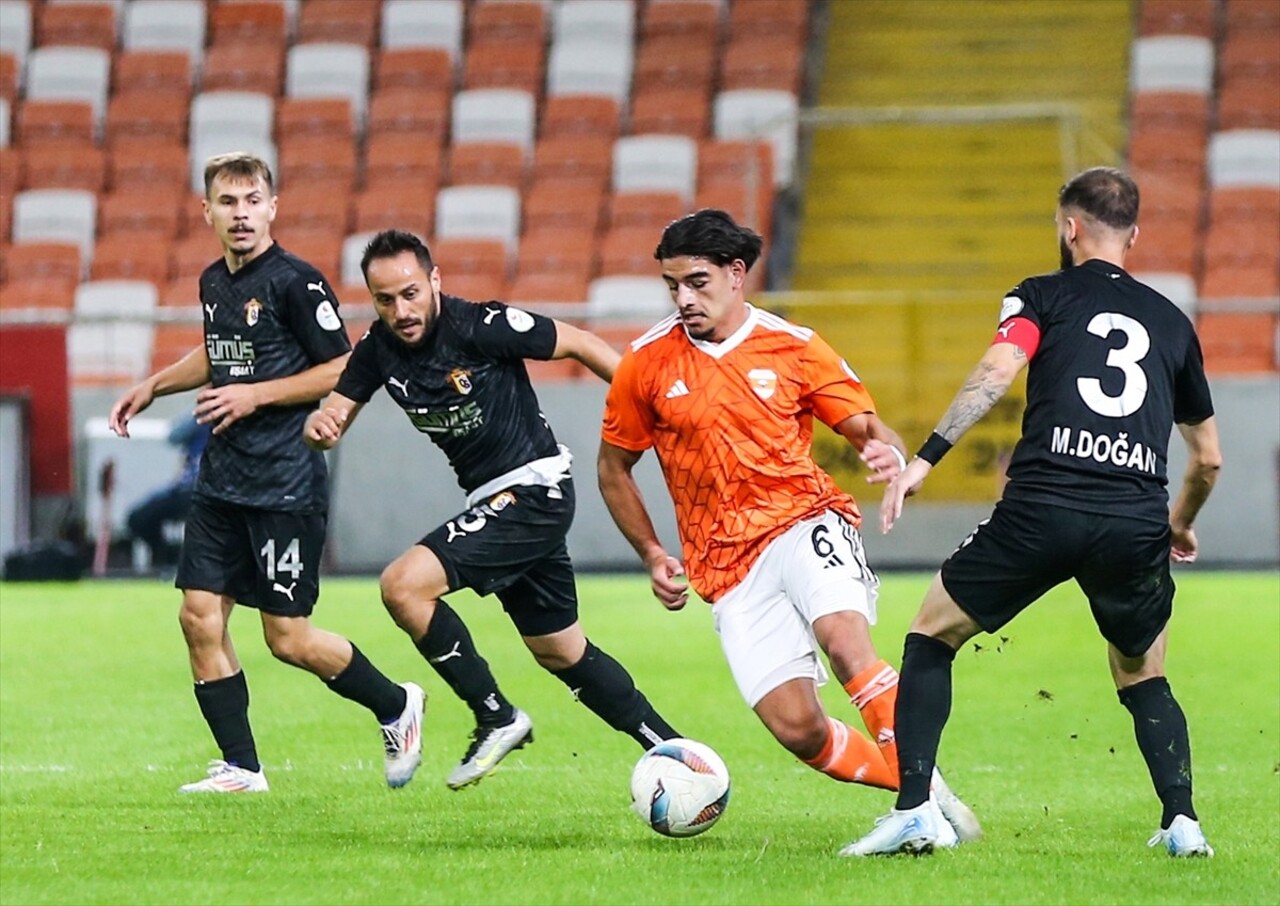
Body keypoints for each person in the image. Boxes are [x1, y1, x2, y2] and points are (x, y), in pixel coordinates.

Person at [844, 167, 1221, 857]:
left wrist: (924, 459)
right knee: (1143, 671)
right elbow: (1209, 459)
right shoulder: (1173, 323)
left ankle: (916, 811)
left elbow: (996, 373)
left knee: (931, 635)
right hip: (1134, 519)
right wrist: (1180, 522)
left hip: (1043, 506)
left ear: (1069, 226)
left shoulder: (1040, 295)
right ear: (1133, 234)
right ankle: (1183, 822)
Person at [596, 209, 979, 848]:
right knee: (797, 728)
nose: (684, 299)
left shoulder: (794, 345)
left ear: (736, 273)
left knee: (846, 641)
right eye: (673, 286)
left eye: (697, 281)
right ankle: (924, 789)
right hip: (725, 564)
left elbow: (865, 424)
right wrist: (652, 552)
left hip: (803, 520)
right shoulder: (645, 364)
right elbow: (614, 469)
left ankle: (915, 816)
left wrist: (881, 448)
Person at [303, 229, 682, 790]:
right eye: (385, 299)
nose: (401, 310)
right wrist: (321, 427)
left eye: (410, 293)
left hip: (534, 490)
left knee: (403, 586)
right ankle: (674, 752)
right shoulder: (377, 351)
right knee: (560, 650)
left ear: (434, 280)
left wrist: (651, 408)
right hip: (496, 502)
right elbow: (334, 415)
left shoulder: (479, 325)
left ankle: (495, 715)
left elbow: (577, 341)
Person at [108, 153, 424, 794]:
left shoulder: (297, 283)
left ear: (272, 208)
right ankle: (241, 768)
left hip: (285, 482)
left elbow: (343, 367)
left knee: (287, 638)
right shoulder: (212, 282)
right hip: (223, 481)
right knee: (198, 616)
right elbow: (219, 349)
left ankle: (396, 704)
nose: (242, 213)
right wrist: (154, 385)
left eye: (253, 200)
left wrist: (255, 395)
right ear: (208, 212)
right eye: (228, 202)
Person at [126, 415, 211, 570]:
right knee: (139, 518)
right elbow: (174, 436)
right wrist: (200, 411)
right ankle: (164, 559)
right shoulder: (200, 419)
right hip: (185, 487)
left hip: (213, 488)